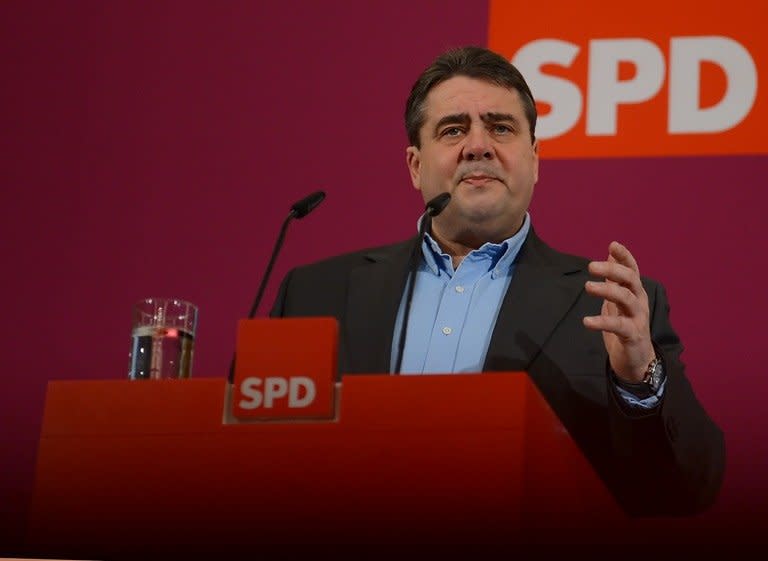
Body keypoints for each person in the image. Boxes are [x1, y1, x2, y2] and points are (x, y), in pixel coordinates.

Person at [270, 45, 724, 517]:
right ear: (415, 165)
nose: (478, 145)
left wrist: (638, 381)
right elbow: (252, 461)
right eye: (453, 130)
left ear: (534, 159)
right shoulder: (314, 294)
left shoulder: (609, 307)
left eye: (500, 127)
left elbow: (687, 489)